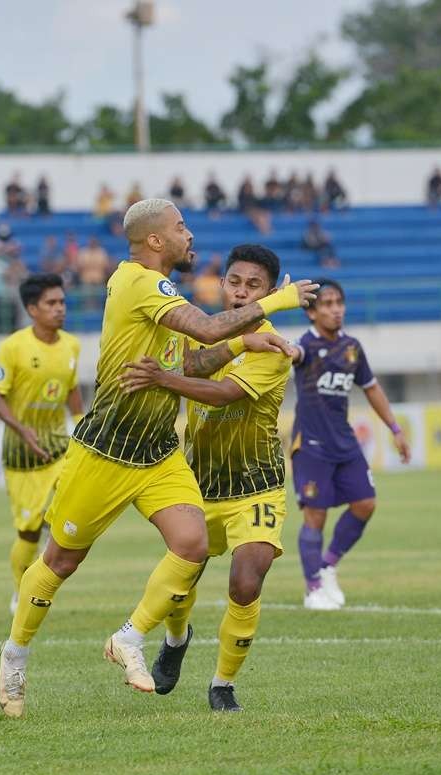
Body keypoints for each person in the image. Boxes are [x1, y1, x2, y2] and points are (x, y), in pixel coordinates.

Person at [0, 198, 316, 718]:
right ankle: (15, 654)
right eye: (182, 227)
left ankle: (130, 638)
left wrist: (240, 346)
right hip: (107, 448)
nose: (191, 235)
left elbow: (190, 359)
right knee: (61, 560)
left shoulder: (164, 293)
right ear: (156, 241)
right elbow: (209, 330)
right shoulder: (138, 283)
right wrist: (279, 300)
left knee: (191, 545)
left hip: (159, 451)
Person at [118, 244, 293, 712]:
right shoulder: (197, 332)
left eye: (253, 285)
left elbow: (220, 394)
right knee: (182, 584)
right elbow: (185, 365)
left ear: (271, 293)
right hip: (198, 485)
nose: (240, 292)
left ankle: (222, 685)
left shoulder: (274, 346)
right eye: (234, 282)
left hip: (256, 486)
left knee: (246, 581)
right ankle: (176, 640)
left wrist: (163, 378)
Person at [292, 281, 410, 610]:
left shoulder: (352, 348)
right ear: (312, 312)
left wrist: (395, 429)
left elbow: (371, 388)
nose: (336, 309)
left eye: (339, 302)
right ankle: (313, 587)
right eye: (327, 303)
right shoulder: (306, 346)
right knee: (315, 516)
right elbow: (295, 353)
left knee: (365, 504)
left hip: (344, 443)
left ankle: (328, 565)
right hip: (312, 444)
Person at [0, 274, 83, 613]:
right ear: (32, 309)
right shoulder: (13, 347)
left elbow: (72, 389)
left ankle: (52, 528)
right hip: (22, 454)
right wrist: (22, 429)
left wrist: (80, 424)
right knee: (27, 535)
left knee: (69, 505)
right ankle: (21, 590)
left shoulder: (71, 345)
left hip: (58, 445)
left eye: (62, 302)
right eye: (51, 304)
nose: (59, 309)